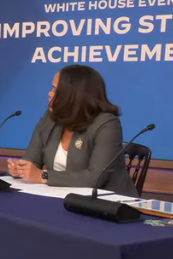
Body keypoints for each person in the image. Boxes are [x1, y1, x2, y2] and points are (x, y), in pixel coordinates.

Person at [9, 64, 137, 196]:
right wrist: (20, 169)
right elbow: (32, 161)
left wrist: (43, 175)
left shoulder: (106, 124)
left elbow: (95, 178)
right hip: (64, 198)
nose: (49, 93)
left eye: (54, 89)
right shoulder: (51, 117)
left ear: (72, 94)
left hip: (107, 204)